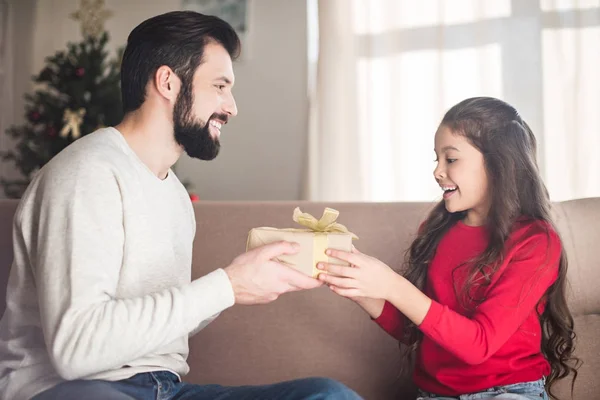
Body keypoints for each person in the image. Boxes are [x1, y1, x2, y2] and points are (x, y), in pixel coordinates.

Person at [0, 11, 361, 400]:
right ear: (168, 82)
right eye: (220, 85)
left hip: (163, 389)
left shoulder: (174, 195)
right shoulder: (85, 174)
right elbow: (76, 349)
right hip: (73, 389)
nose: (232, 106)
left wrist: (242, 284)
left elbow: (155, 322)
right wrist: (227, 285)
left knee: (326, 396)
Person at [317, 97, 579, 400]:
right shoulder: (437, 228)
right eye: (436, 159)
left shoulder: (535, 242)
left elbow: (478, 345)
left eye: (450, 159)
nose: (437, 171)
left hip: (507, 393)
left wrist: (392, 285)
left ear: (498, 164)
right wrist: (360, 286)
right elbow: (418, 329)